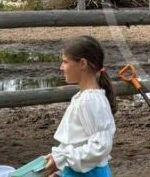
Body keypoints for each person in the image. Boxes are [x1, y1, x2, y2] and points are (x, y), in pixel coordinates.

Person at [44, 36, 117, 177]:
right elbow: (78, 141)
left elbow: (100, 146)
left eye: (65, 61)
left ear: (82, 64)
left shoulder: (90, 101)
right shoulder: (84, 98)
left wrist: (62, 158)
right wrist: (60, 168)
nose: (61, 67)